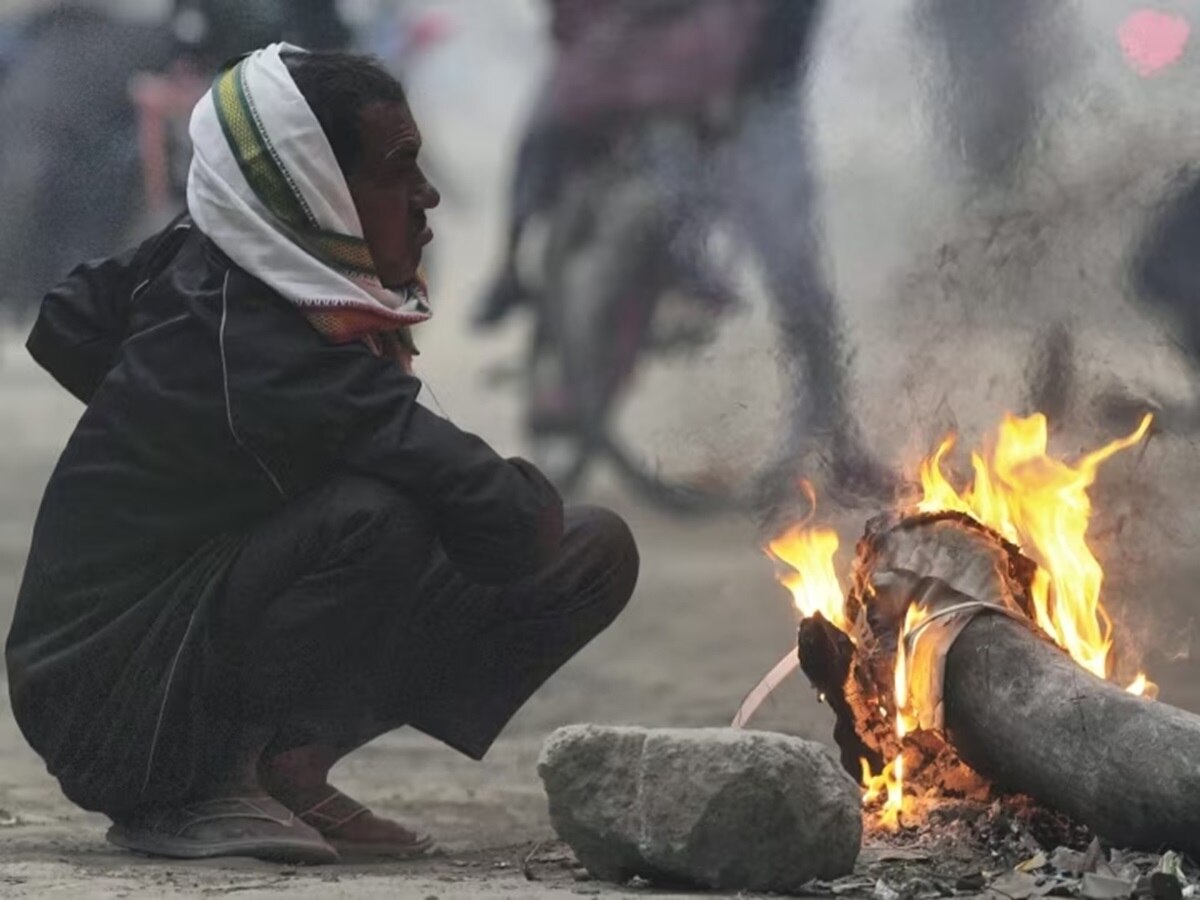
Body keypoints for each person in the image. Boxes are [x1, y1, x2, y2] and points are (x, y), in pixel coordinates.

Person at [6, 46, 638, 864]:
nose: (428, 196)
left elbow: (69, 319)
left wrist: (187, 450)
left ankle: (284, 766)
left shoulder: (220, 252)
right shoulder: (265, 347)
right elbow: (509, 523)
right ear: (315, 187)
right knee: (377, 514)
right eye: (398, 168)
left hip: (165, 637)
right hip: (115, 707)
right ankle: (194, 788)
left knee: (588, 549)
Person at [478, 0, 893, 514]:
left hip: (750, 91)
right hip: (631, 74)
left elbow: (785, 23)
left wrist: (744, 65)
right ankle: (513, 264)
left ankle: (838, 443)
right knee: (545, 141)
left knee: (791, 263)